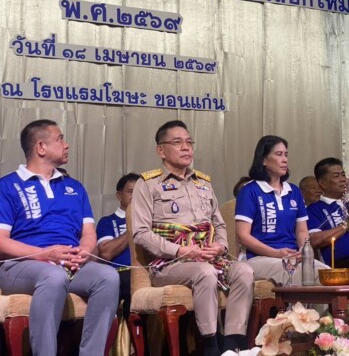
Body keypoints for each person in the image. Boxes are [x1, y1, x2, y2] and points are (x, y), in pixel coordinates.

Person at [131, 120, 254, 356]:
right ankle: (210, 344)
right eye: (177, 142)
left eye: (189, 142)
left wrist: (220, 246)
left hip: (210, 258)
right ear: (161, 150)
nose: (186, 147)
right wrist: (181, 251)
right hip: (170, 263)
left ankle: (232, 344)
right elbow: (141, 233)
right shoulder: (148, 184)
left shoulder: (203, 183)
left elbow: (219, 223)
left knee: (244, 271)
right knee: (203, 272)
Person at [0, 119, 120, 355]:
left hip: (69, 264)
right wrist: (44, 254)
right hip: (21, 266)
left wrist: (84, 251)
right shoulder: (8, 185)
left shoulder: (75, 187)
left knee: (107, 276)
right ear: (41, 147)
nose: (66, 145)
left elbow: (88, 233)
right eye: (60, 139)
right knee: (53, 276)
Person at [235, 135, 329, 286]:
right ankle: (299, 303)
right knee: (297, 274)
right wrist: (275, 253)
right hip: (258, 258)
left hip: (292, 255)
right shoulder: (250, 191)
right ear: (263, 160)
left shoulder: (294, 191)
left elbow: (302, 231)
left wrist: (303, 251)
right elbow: (242, 236)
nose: (284, 159)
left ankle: (316, 305)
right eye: (278, 154)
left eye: (286, 155)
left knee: (326, 274)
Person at [307, 157, 349, 282]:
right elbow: (314, 240)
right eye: (336, 176)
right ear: (322, 184)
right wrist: (346, 225)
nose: (343, 179)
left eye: (343, 175)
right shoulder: (314, 209)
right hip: (342, 264)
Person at [96, 172, 141, 320]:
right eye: (131, 192)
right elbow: (106, 253)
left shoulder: (152, 221)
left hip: (148, 272)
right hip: (122, 274)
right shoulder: (107, 222)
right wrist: (134, 226)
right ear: (119, 195)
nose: (136, 196)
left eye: (140, 192)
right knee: (129, 282)